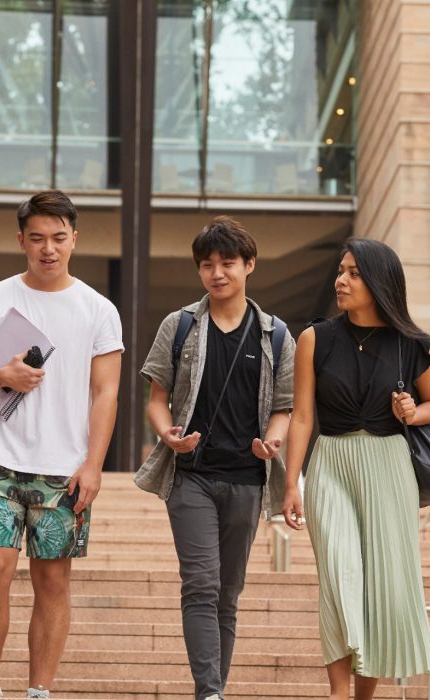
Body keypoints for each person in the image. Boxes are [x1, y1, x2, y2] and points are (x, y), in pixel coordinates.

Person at [0, 190, 123, 698]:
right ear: (21, 241)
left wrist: (94, 464)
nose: (48, 248)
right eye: (37, 238)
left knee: (52, 580)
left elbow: (106, 391)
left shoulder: (98, 310)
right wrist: (0, 375)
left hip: (64, 465)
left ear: (74, 238)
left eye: (58, 237)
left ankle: (39, 690)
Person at [136, 216, 295, 700]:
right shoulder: (180, 325)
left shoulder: (276, 335)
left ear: (249, 265)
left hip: (247, 478)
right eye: (207, 265)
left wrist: (272, 443)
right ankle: (209, 692)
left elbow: (283, 408)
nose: (217, 273)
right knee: (201, 585)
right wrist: (168, 436)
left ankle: (213, 691)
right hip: (192, 477)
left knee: (228, 593)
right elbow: (156, 398)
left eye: (228, 263)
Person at [283, 238, 430, 700]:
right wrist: (291, 482)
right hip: (330, 462)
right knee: (339, 574)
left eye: (353, 273)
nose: (341, 280)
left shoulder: (408, 342)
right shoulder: (315, 338)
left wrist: (413, 411)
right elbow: (302, 416)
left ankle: (363, 696)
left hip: (389, 466)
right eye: (340, 271)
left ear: (378, 281)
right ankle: (338, 692)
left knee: (378, 584)